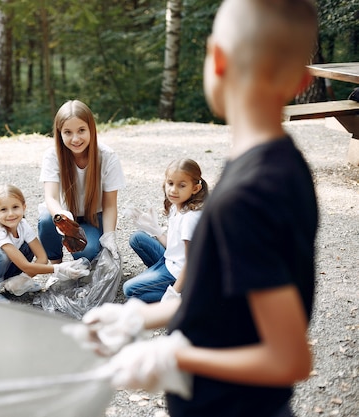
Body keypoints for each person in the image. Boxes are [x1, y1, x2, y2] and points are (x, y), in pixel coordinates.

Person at [69, 1, 320, 416]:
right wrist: (138, 319)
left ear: (216, 59)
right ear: (299, 81)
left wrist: (173, 357)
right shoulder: (280, 164)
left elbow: (289, 359)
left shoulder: (249, 195)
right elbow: (220, 300)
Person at [38, 99, 126, 263]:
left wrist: (109, 236)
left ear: (91, 129)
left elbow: (109, 205)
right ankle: (57, 267)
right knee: (45, 220)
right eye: (68, 132)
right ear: (59, 133)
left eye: (81, 130)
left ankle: (88, 256)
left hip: (93, 217)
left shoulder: (107, 156)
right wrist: (62, 217)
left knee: (88, 252)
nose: (75, 139)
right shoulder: (52, 155)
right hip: (65, 214)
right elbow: (50, 198)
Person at [0, 184, 90, 299]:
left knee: (27, 247)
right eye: (3, 209)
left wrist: (22, 279)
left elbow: (42, 258)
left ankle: (8, 284)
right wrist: (59, 269)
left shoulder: (23, 224)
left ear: (24, 207)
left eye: (15, 207)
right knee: (2, 255)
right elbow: (25, 265)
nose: (11, 214)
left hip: (4, 268)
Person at [123, 159, 208, 303]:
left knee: (130, 291)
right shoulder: (177, 206)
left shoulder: (189, 218)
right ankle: (159, 282)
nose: (173, 190)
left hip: (180, 271)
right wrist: (156, 231)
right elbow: (175, 247)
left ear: (195, 189)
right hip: (169, 260)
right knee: (137, 238)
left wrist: (174, 291)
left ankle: (184, 297)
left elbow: (191, 261)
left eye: (181, 185)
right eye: (170, 183)